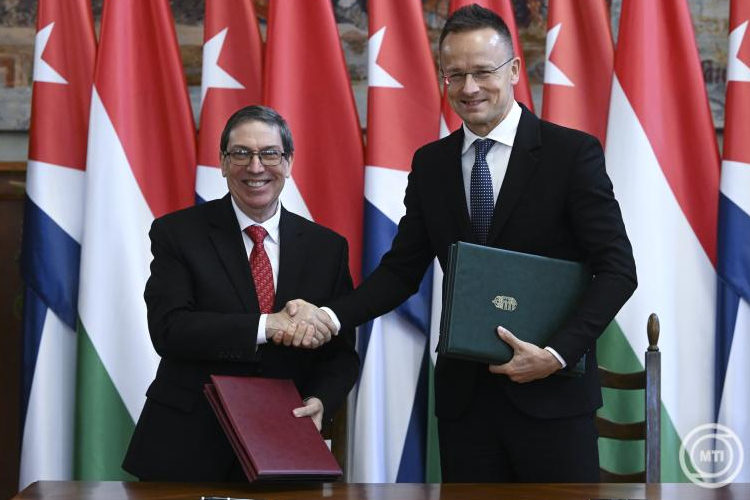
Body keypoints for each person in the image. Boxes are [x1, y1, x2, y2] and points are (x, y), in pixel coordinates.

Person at [290, 4, 637, 482]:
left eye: (482, 72)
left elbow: (618, 270)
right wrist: (328, 317)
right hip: (465, 406)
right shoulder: (431, 164)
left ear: (514, 70)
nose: (469, 87)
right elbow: (400, 272)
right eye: (454, 74)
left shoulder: (571, 154)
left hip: (552, 399)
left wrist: (556, 355)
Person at [122, 105, 360, 481]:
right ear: (222, 162)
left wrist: (321, 401)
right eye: (241, 153)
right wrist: (268, 326)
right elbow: (170, 329)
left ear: (289, 162)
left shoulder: (327, 248)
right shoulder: (177, 233)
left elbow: (342, 353)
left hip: (286, 441)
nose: (255, 166)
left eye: (270, 154)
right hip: (187, 446)